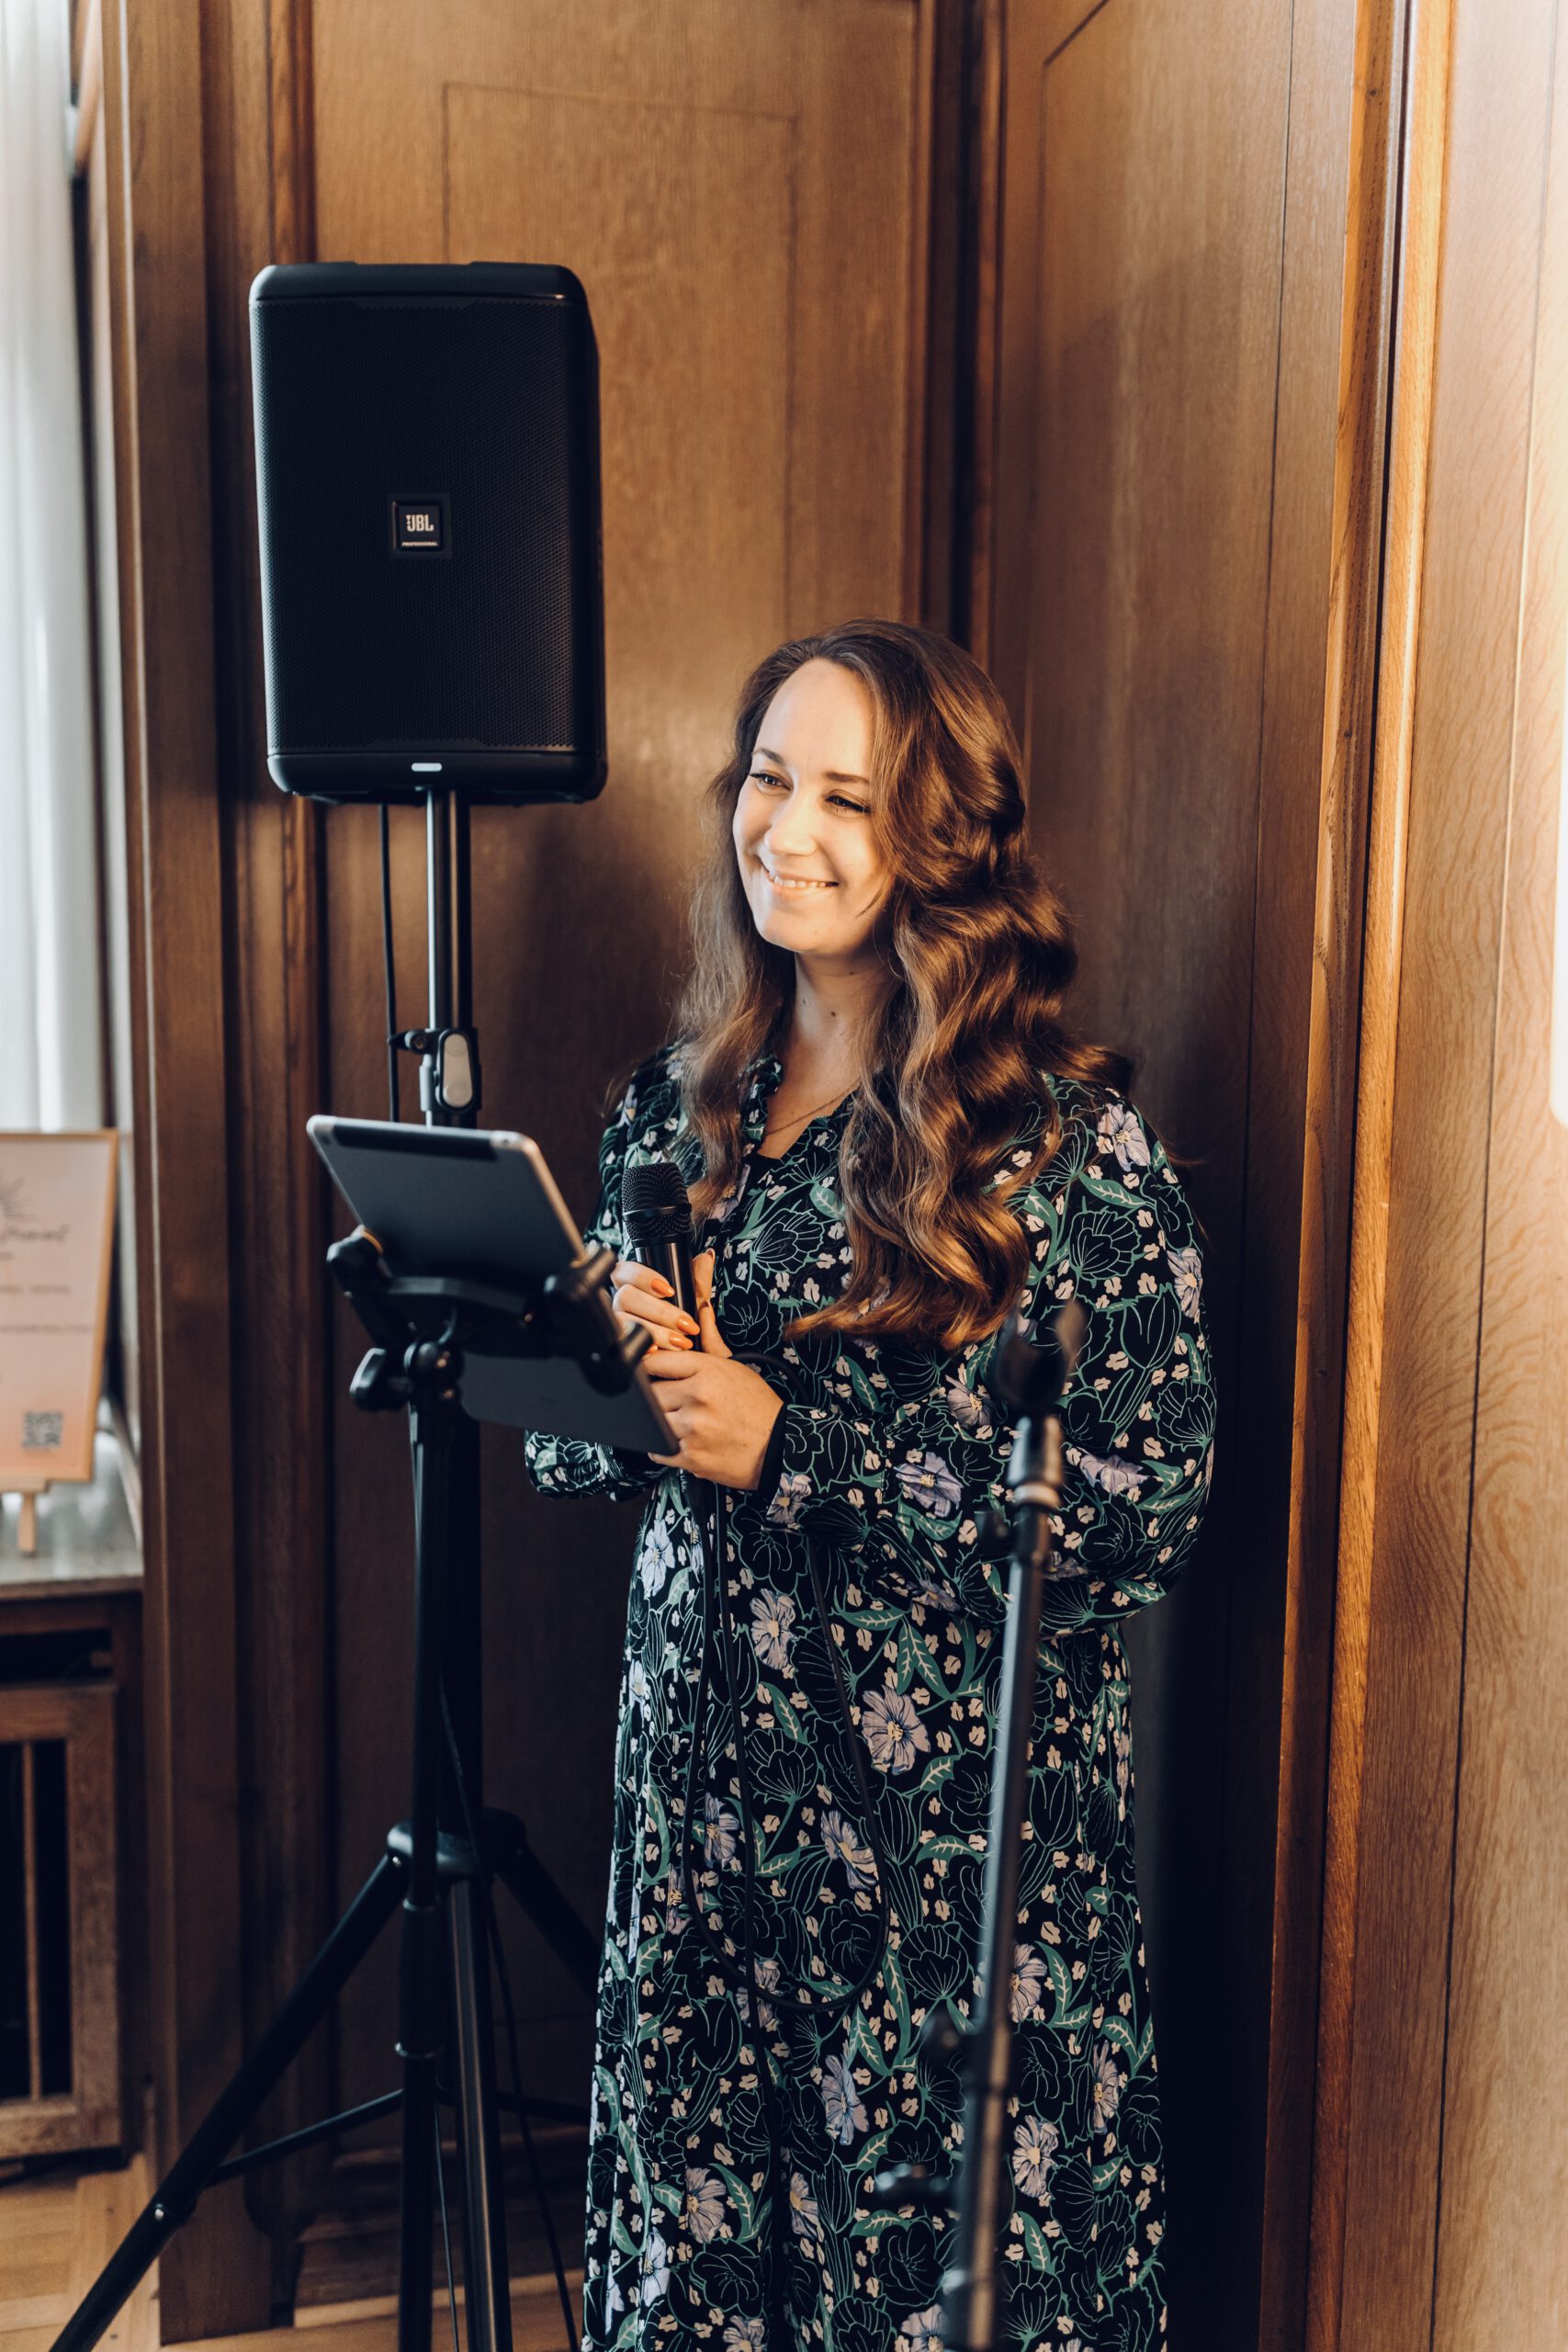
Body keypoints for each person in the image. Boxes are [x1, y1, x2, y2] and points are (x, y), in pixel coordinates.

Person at [524, 619, 1218, 2352]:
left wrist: (798, 1454)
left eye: (851, 796)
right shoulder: (676, 1109)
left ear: (942, 842)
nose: (791, 829)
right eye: (771, 777)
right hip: (700, 1835)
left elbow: (1146, 1501)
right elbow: (571, 1450)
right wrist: (606, 1361)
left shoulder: (1059, 1143)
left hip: (937, 1867)